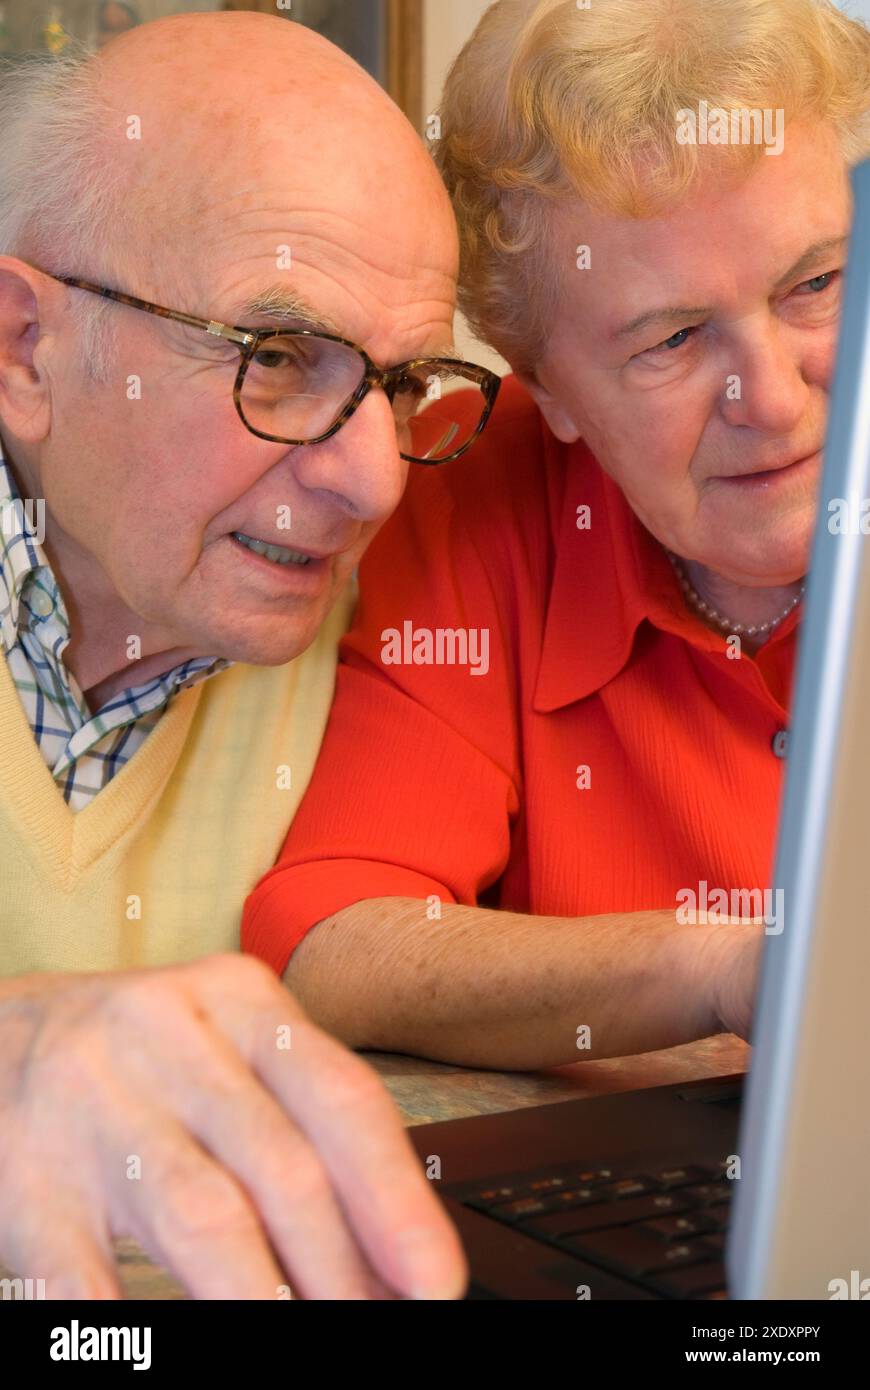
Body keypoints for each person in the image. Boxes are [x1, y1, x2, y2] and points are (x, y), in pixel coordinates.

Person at [243, 0, 870, 1069]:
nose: (769, 396)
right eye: (671, 339)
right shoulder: (470, 487)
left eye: (816, 283)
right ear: (551, 390)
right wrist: (721, 969)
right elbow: (336, 937)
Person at [0, 10, 495, 1299]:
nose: (376, 480)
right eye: (276, 359)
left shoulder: (403, 632)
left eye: (401, 386)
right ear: (23, 347)